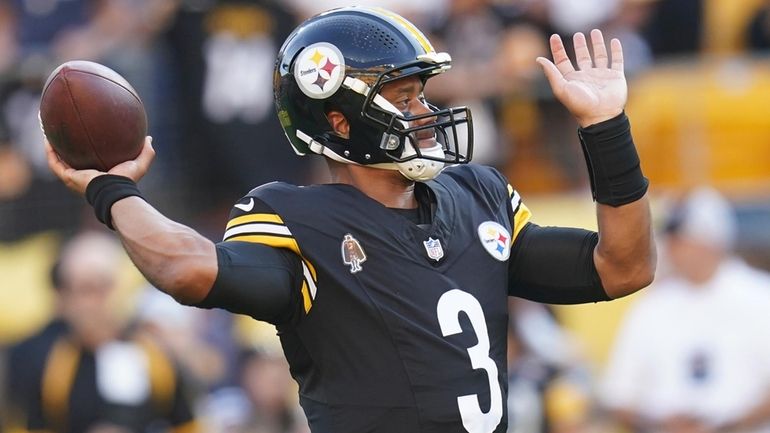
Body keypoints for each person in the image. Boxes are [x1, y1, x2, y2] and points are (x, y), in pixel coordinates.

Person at [45, 7, 655, 433]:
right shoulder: (294, 218)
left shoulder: (479, 195)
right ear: (340, 119)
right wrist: (111, 189)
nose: (426, 112)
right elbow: (185, 269)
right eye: (406, 98)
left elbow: (624, 266)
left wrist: (606, 131)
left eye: (423, 95)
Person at [601, 187, 770, 433]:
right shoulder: (652, 305)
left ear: (710, 239)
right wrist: (664, 424)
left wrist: (728, 425)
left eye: (683, 240)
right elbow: (618, 394)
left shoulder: (759, 296)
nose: (673, 249)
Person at [5, 231, 198, 433]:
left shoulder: (153, 353)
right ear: (65, 298)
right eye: (86, 289)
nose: (98, 302)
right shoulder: (40, 357)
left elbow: (188, 424)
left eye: (105, 286)